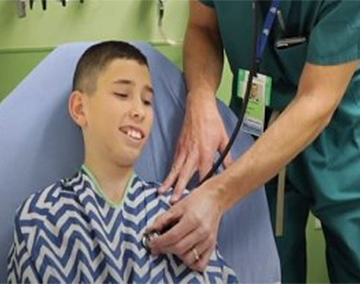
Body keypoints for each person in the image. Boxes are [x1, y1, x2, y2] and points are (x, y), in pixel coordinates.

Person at [146, 1, 360, 282]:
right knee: (260, 266)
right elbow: (202, 27)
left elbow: (317, 101)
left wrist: (218, 194)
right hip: (251, 129)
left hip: (339, 137)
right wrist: (200, 97)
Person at [7, 41, 237, 283]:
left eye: (147, 101)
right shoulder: (40, 218)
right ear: (79, 108)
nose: (139, 111)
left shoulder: (177, 212)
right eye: (122, 94)